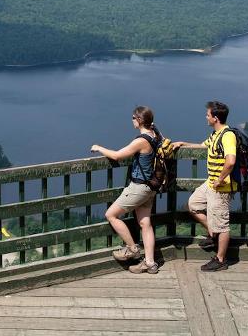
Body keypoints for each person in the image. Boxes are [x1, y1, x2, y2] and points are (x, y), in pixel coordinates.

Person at [90, 105, 161, 274]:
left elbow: (117, 155)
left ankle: (132, 249)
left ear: (140, 120)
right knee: (145, 223)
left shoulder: (141, 140)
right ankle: (150, 263)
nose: (131, 120)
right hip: (151, 186)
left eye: (133, 118)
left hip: (139, 187)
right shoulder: (155, 134)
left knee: (111, 215)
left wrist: (99, 148)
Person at [172, 101, 237, 271]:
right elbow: (202, 147)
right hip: (210, 184)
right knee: (193, 205)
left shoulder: (227, 135)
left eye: (208, 115)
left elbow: (230, 162)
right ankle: (212, 233)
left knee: (222, 224)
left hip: (221, 188)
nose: (206, 117)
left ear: (215, 118)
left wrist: (221, 179)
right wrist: (183, 143)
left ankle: (220, 259)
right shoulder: (215, 135)